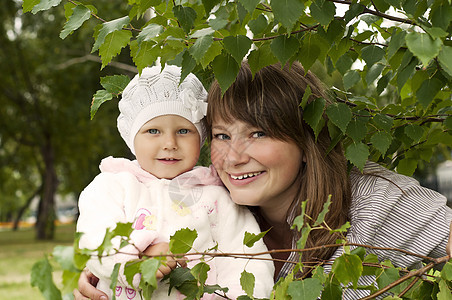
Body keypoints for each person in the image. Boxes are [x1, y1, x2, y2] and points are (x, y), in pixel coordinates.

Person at [75, 61, 452, 300]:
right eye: (222, 135)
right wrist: (108, 276)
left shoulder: (372, 202)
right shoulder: (206, 208)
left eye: (258, 134)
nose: (235, 156)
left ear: (305, 140)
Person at [76, 65, 274, 300]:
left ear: (201, 138)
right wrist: (137, 260)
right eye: (153, 131)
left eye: (183, 131)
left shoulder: (216, 197)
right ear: (131, 138)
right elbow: (95, 237)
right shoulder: (112, 187)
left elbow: (247, 260)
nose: (169, 143)